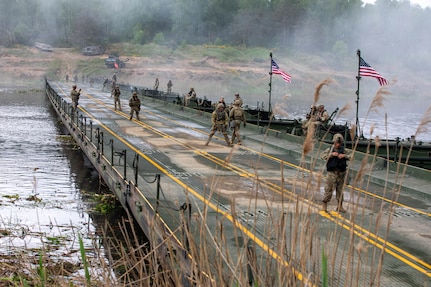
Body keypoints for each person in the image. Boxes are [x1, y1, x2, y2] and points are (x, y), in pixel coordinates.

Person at [321, 133, 351, 213]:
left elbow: (351, 156)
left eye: (339, 143)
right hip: (332, 173)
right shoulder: (330, 150)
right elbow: (323, 156)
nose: (338, 145)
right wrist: (331, 155)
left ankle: (340, 206)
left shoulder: (343, 150)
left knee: (340, 191)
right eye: (336, 143)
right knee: (328, 189)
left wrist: (344, 156)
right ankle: (324, 205)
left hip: (341, 173)